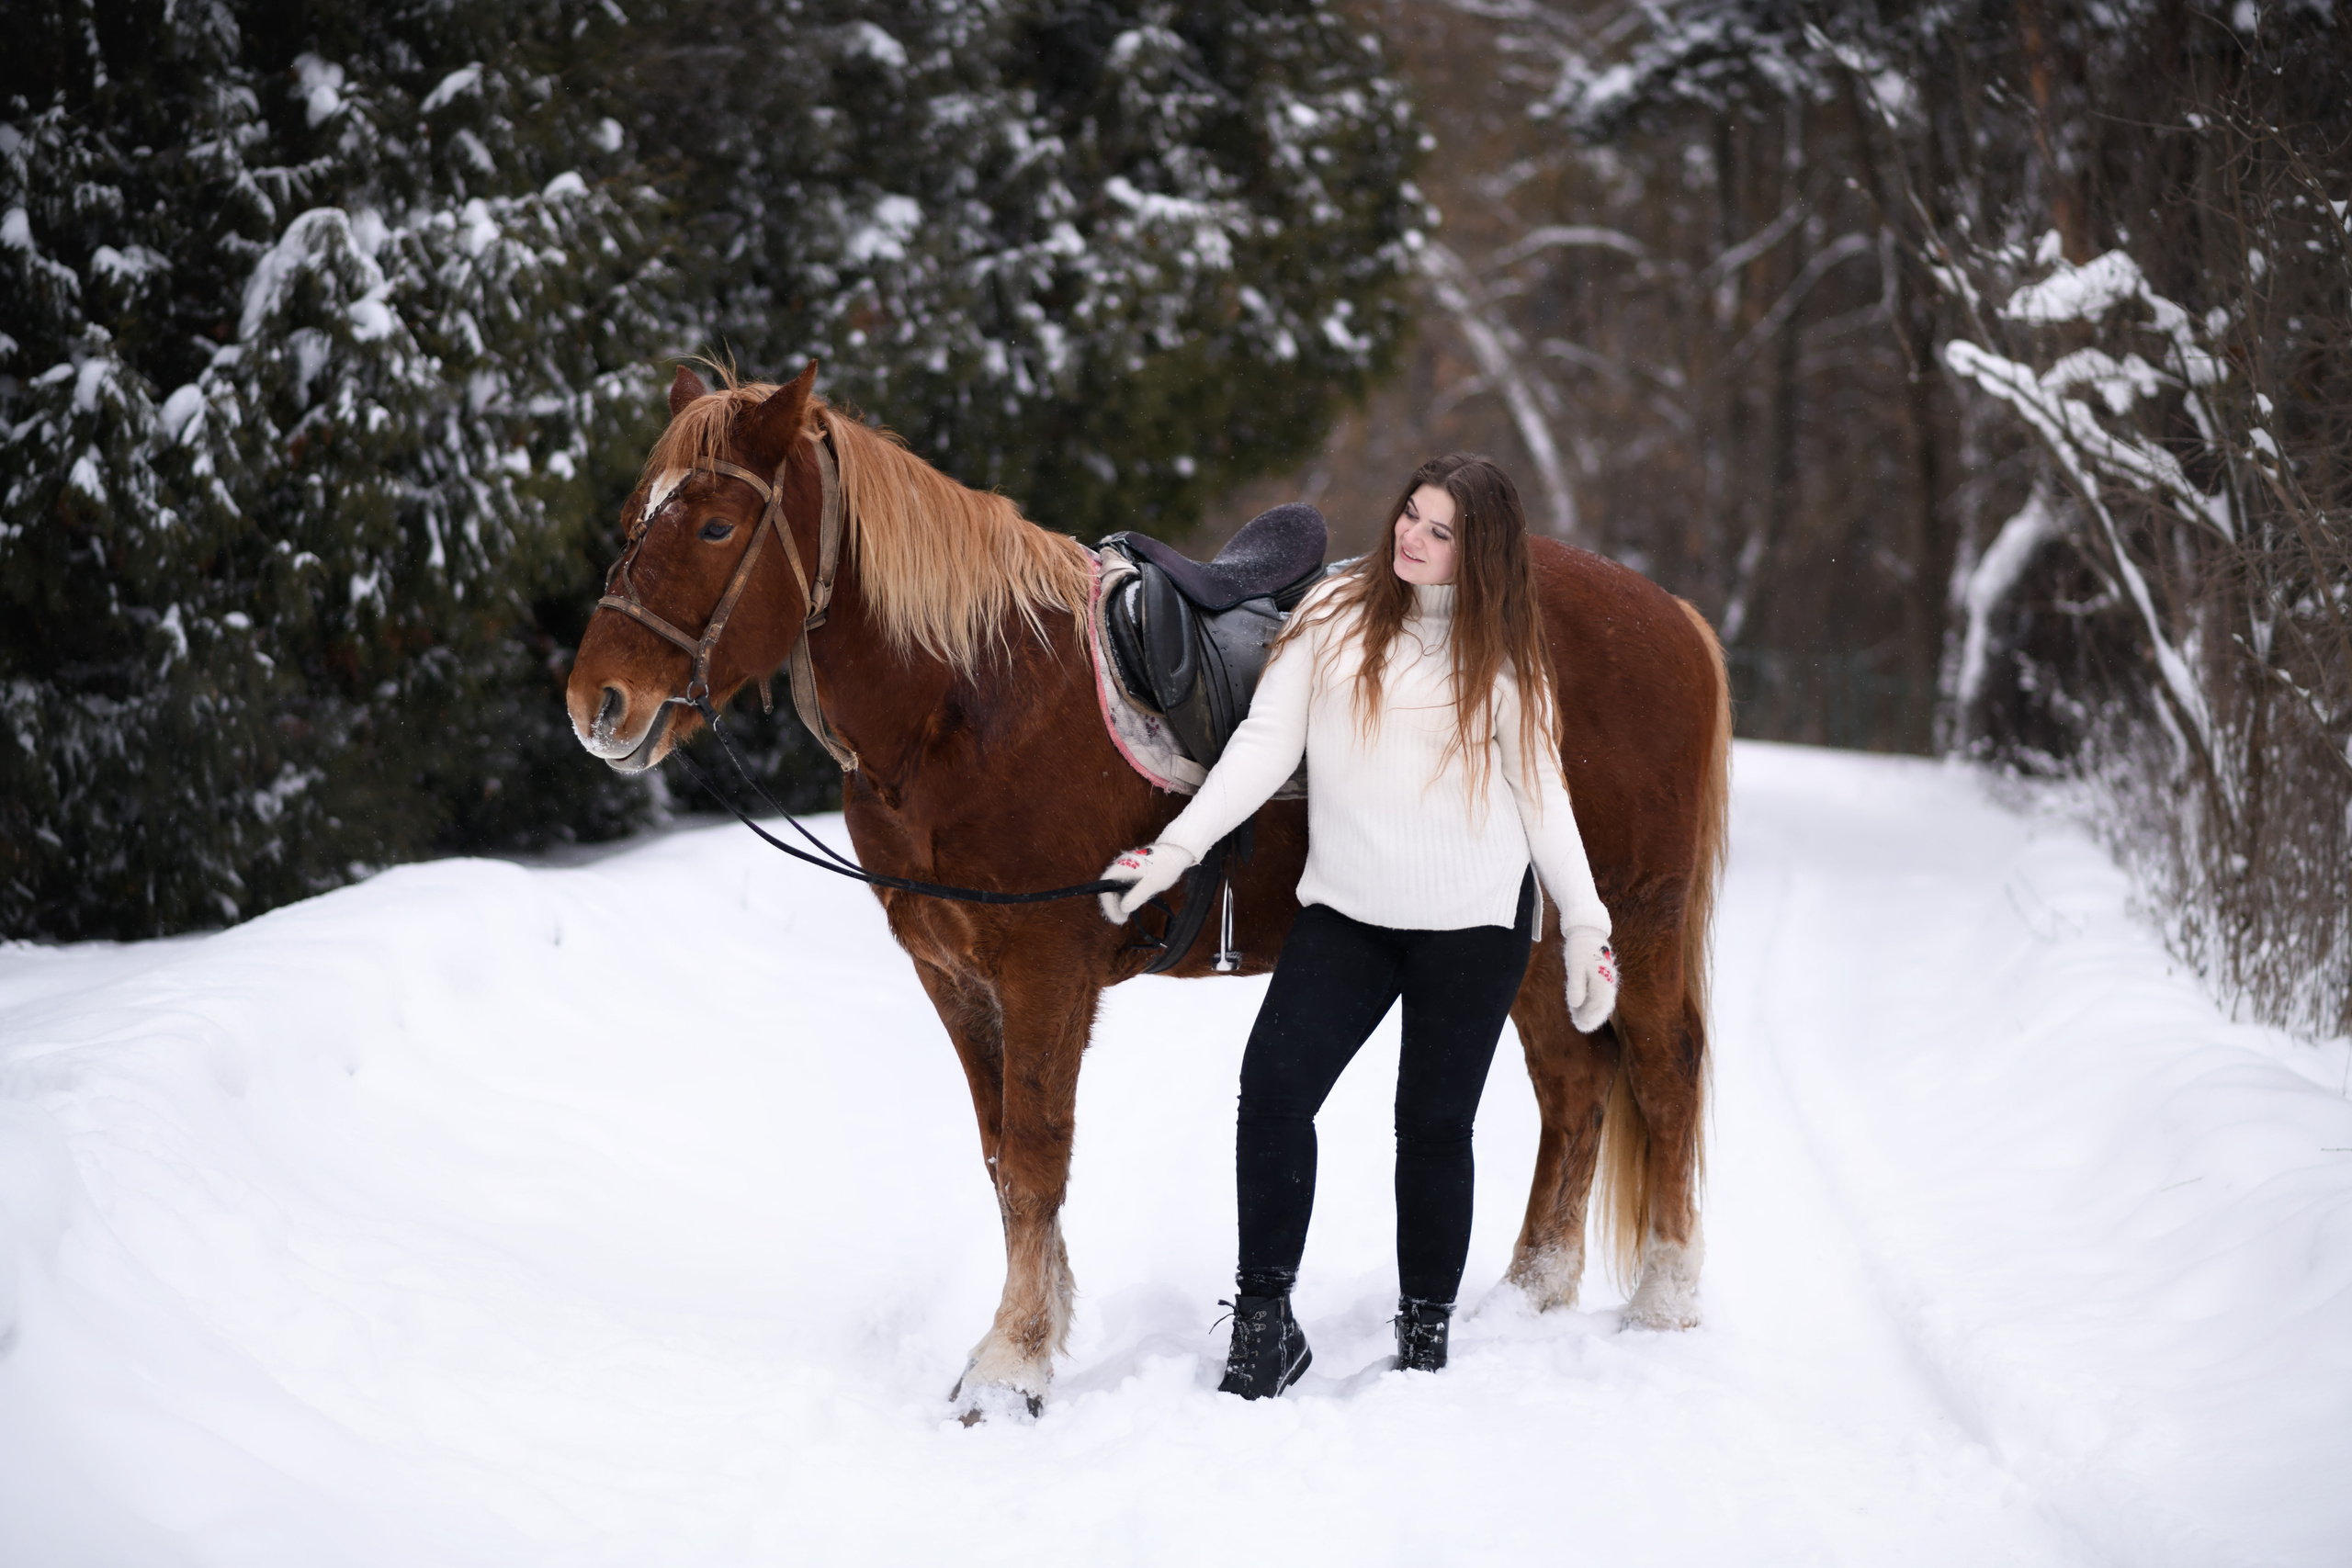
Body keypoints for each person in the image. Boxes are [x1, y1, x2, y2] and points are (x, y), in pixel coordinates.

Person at [1097, 453, 1619, 1401]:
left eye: (1438, 531)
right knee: (1274, 1089)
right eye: (1408, 516)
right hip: (1347, 912)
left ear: (1481, 551)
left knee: (1430, 1127)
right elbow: (1263, 746)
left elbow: (1542, 794)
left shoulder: (1503, 653)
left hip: (1473, 924)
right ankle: (1264, 1322)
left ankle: (1424, 1340)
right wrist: (1170, 853)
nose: (1409, 539)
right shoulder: (1332, 617)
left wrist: (1584, 923)